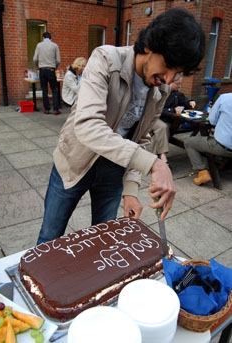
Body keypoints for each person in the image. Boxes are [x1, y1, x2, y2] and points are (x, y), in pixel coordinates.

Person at [36, 8, 205, 244]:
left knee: (103, 242)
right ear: (149, 46)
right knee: (49, 237)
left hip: (115, 168)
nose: (168, 79)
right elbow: (88, 125)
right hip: (74, 162)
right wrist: (155, 165)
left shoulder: (161, 90)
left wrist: (131, 191)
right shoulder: (105, 59)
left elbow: (141, 139)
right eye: (168, 65)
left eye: (177, 73)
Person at [184, 93, 232, 186]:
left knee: (189, 142)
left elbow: (212, 120)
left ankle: (202, 172)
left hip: (223, 147)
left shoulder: (225, 98)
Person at [151, 74, 197, 166]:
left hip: (168, 120)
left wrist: (190, 102)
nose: (180, 86)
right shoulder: (159, 92)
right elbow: (155, 109)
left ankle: (155, 157)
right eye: (177, 84)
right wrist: (172, 110)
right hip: (153, 118)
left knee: (164, 130)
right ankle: (163, 157)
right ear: (169, 82)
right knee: (163, 128)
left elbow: (183, 103)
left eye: (180, 83)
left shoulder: (176, 93)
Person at [33, 32, 61, 115]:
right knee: (54, 89)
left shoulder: (39, 45)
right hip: (51, 69)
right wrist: (55, 67)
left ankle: (47, 109)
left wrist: (37, 66)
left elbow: (35, 59)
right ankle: (56, 109)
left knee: (44, 90)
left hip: (42, 70)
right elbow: (58, 60)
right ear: (50, 38)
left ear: (43, 38)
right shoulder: (55, 46)